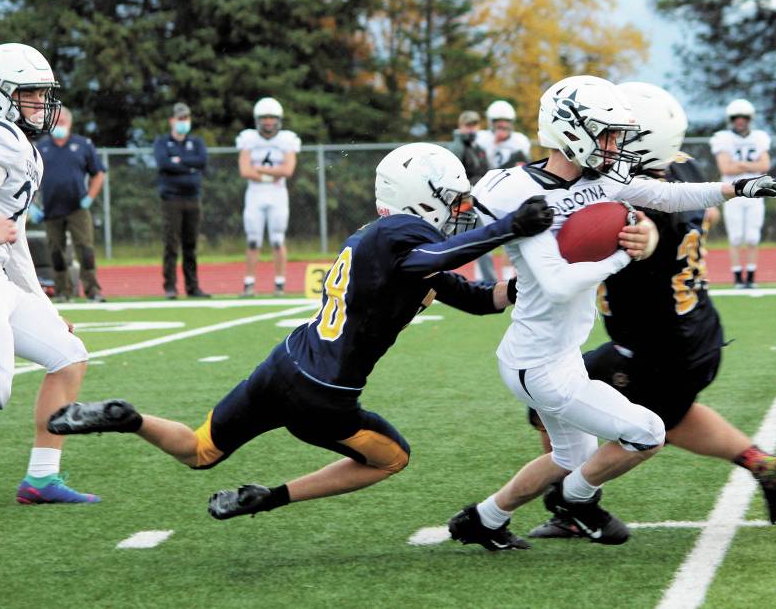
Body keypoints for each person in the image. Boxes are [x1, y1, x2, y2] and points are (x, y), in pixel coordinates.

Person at [47, 143, 554, 519]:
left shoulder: (383, 243)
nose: (462, 210)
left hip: (283, 364)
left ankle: (128, 417)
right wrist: (508, 227)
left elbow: (482, 300)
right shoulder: (407, 236)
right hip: (324, 396)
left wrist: (528, 283)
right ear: (420, 200)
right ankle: (271, 497)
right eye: (454, 200)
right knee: (392, 458)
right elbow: (435, 256)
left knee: (200, 450)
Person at [447, 75, 776, 551]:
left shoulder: (601, 180)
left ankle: (483, 519)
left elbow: (668, 198)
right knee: (648, 431)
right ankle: (576, 504)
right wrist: (621, 256)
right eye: (607, 133)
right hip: (540, 360)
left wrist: (738, 187)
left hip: (566, 351)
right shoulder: (513, 189)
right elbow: (548, 276)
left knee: (573, 455)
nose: (616, 146)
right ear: (570, 131)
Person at [0, 42, 99, 504]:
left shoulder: (20, 145)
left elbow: (12, 243)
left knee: (68, 355)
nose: (40, 104)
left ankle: (41, 478)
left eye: (42, 94)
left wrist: (45, 305)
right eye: (29, 94)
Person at [33, 106, 106, 303]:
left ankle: (93, 290)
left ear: (70, 123)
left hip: (77, 208)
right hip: (51, 208)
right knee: (56, 252)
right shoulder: (41, 147)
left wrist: (89, 197)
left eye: (63, 122)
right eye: (56, 122)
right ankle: (63, 291)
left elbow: (99, 173)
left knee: (86, 249)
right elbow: (29, 177)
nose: (59, 125)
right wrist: (33, 205)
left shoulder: (83, 145)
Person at [237, 97, 299, 296]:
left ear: (279, 119)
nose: (268, 122)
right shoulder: (248, 139)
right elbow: (244, 170)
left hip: (277, 194)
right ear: (257, 120)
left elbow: (288, 170)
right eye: (264, 118)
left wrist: (259, 170)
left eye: (272, 117)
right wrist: (273, 173)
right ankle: (249, 284)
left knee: (277, 239)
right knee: (253, 239)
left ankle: (280, 284)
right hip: (255, 194)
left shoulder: (287, 139)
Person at [709, 99, 772, 288]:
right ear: (731, 119)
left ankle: (751, 276)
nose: (740, 121)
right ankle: (737, 277)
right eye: (736, 117)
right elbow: (725, 168)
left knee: (753, 237)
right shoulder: (722, 138)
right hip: (732, 193)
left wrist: (741, 166)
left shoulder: (760, 137)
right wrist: (750, 166)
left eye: (744, 117)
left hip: (755, 192)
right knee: (736, 237)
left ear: (750, 118)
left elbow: (765, 165)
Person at [154, 102, 209, 299]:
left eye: (186, 118)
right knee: (171, 244)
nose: (184, 122)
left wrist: (178, 161)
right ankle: (170, 287)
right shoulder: (162, 142)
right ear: (172, 121)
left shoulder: (196, 142)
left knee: (190, 245)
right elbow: (164, 163)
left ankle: (192, 287)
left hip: (193, 198)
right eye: (180, 118)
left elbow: (202, 161)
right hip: (171, 199)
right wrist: (188, 164)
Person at [449, 110, 496, 281]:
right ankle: (490, 284)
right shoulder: (457, 148)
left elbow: (487, 173)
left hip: (475, 202)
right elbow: (453, 178)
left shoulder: (478, 147)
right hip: (462, 203)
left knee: (478, 243)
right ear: (460, 126)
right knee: (453, 245)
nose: (471, 129)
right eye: (468, 125)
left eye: (474, 125)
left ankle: (490, 283)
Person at [475, 100, 531, 170]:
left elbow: (525, 166)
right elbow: (480, 166)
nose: (502, 124)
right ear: (491, 122)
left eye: (506, 121)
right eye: (498, 121)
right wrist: (495, 143)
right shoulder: (481, 138)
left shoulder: (520, 140)